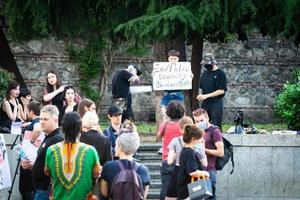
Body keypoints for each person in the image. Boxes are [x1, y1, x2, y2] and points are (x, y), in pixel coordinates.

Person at [44, 112, 100, 200]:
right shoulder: (91, 151)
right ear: (80, 128)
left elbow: (48, 173)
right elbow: (96, 176)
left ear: (62, 129)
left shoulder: (51, 150)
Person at [21, 105, 64, 200]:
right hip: (41, 188)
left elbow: (57, 168)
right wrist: (32, 165)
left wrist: (33, 166)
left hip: (47, 190)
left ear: (55, 120)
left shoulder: (57, 139)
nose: (42, 122)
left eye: (45, 119)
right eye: (40, 119)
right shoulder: (49, 136)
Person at [100, 122, 150, 200]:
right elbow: (143, 196)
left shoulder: (108, 167)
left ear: (120, 147)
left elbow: (103, 195)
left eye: (116, 144)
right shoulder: (143, 170)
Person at [192, 108, 224, 200]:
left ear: (207, 118)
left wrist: (203, 150)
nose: (199, 123)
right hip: (197, 170)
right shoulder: (196, 131)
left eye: (201, 120)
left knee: (209, 198)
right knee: (197, 197)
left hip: (209, 170)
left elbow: (221, 152)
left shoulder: (215, 131)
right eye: (197, 121)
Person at [157, 100, 185, 200]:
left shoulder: (165, 124)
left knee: (165, 188)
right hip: (181, 160)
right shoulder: (183, 125)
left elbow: (159, 136)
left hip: (166, 159)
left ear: (168, 112)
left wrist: (165, 121)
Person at [177, 124, 210, 199]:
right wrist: (205, 173)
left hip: (185, 187)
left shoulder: (185, 150)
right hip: (190, 189)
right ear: (193, 139)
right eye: (200, 137)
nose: (202, 140)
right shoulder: (190, 152)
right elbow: (192, 172)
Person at [19, 101, 44, 200]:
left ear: (31, 112)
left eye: (27, 111)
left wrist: (32, 141)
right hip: (32, 159)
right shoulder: (36, 122)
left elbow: (37, 129)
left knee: (25, 189)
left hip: (29, 160)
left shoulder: (36, 123)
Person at [196, 53, 227, 130]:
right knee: (202, 124)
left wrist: (206, 95)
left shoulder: (221, 74)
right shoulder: (205, 74)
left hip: (216, 103)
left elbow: (221, 91)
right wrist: (200, 95)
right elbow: (201, 87)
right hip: (205, 103)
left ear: (213, 63)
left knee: (216, 124)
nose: (206, 65)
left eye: (207, 64)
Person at [160, 50, 185, 120]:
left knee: (180, 112)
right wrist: (155, 75)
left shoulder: (183, 68)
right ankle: (166, 126)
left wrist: (190, 76)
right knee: (164, 112)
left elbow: (187, 81)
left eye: (175, 59)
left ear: (178, 59)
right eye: (171, 59)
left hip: (179, 94)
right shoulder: (162, 68)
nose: (173, 60)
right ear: (168, 59)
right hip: (167, 94)